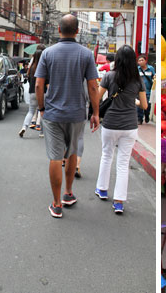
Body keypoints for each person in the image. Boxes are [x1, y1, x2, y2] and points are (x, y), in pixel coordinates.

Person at [35, 14, 100, 219]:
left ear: (59, 29)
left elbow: (38, 84)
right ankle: (68, 193)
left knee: (55, 157)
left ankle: (56, 204)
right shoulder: (86, 54)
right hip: (77, 113)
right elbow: (92, 86)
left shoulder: (47, 53)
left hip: (52, 113)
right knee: (72, 152)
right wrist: (96, 113)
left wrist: (42, 108)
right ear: (78, 31)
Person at [95, 45, 148, 214]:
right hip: (130, 126)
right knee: (123, 163)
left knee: (106, 155)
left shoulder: (109, 76)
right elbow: (145, 105)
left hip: (110, 124)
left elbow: (96, 98)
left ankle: (102, 190)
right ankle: (118, 202)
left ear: (117, 60)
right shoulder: (138, 80)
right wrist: (134, 102)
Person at [18, 49, 43, 138]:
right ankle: (41, 132)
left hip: (32, 92)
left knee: (31, 111)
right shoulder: (44, 67)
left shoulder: (31, 68)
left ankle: (24, 127)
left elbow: (28, 79)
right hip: (42, 92)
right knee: (43, 111)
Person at [137, 54, 155, 125]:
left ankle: (147, 115)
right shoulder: (137, 69)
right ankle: (139, 118)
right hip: (139, 90)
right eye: (139, 61)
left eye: (142, 60)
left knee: (147, 105)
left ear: (146, 61)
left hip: (148, 90)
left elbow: (154, 77)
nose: (140, 62)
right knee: (140, 105)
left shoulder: (151, 69)